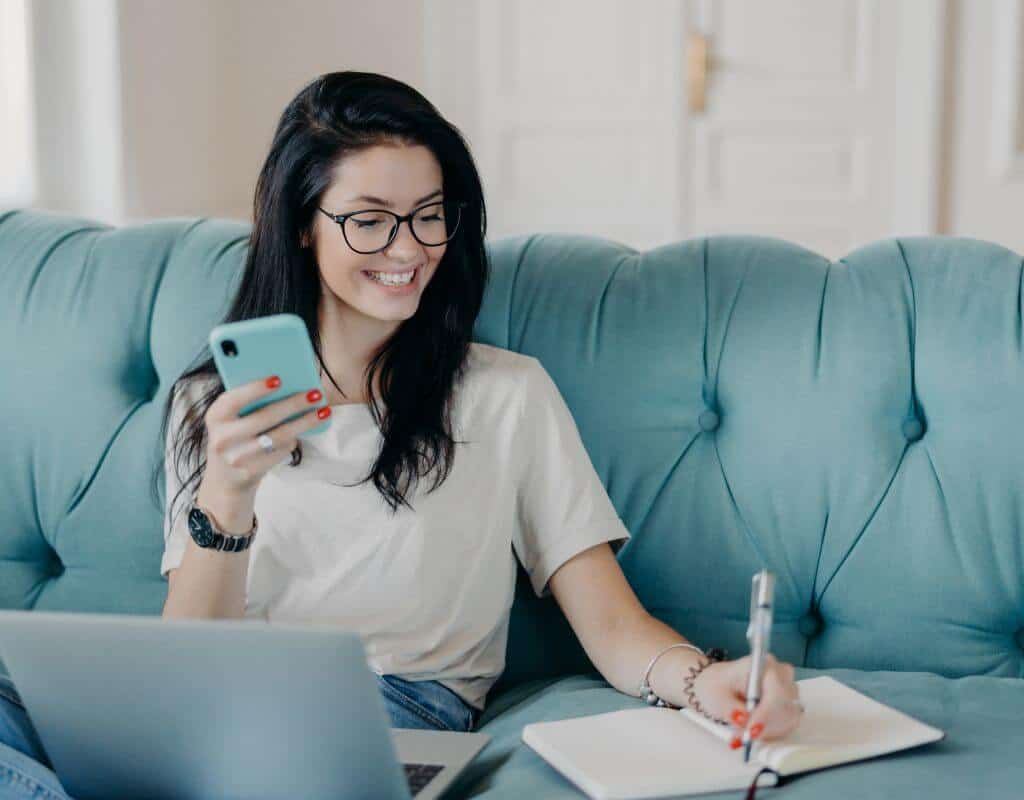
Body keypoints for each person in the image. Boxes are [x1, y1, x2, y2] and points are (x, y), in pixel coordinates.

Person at [0, 71, 803, 799]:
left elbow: (615, 628)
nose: (409, 250)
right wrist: (228, 495)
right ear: (302, 225)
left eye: (429, 216)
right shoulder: (216, 404)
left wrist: (708, 684)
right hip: (221, 707)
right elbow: (189, 661)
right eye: (371, 222)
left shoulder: (505, 396)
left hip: (396, 706)